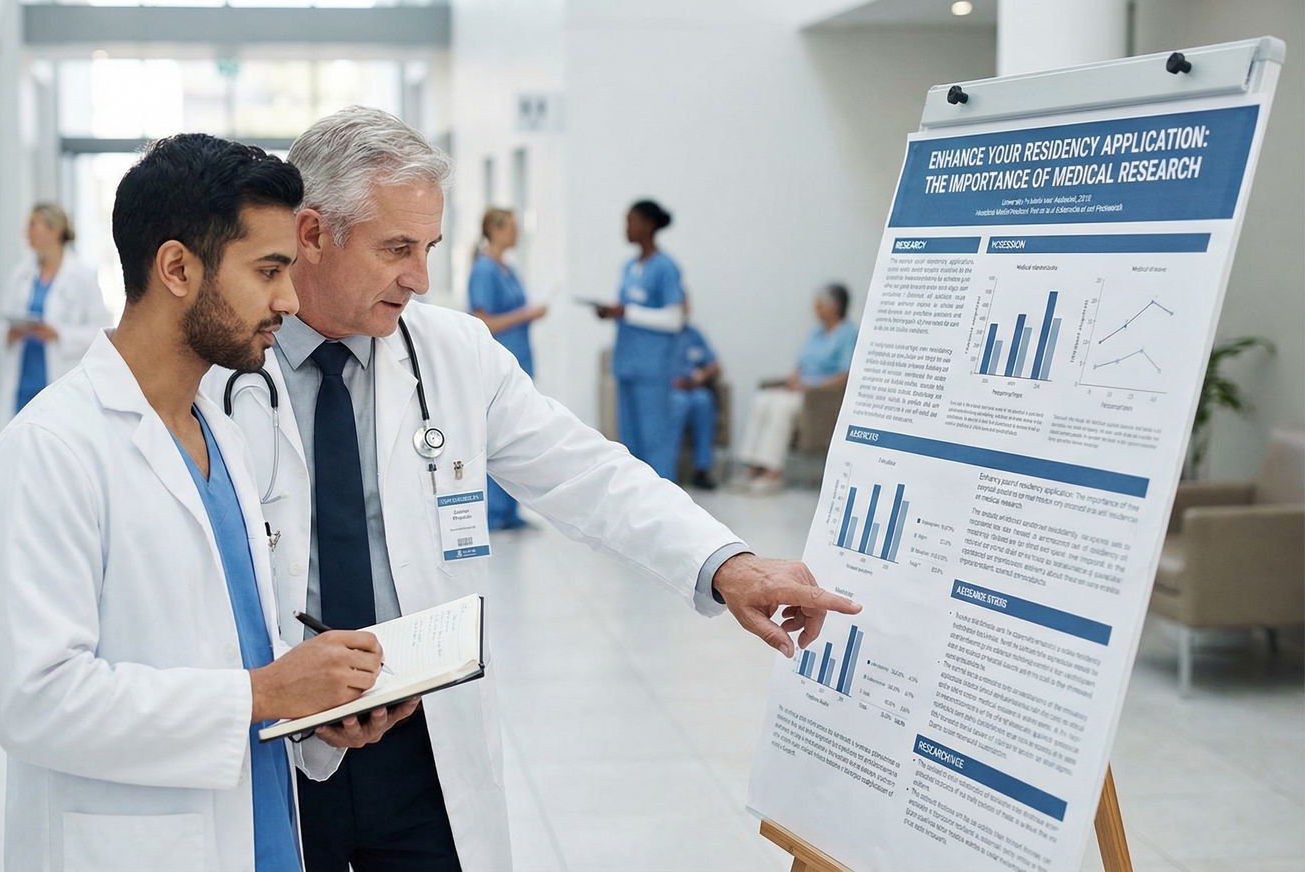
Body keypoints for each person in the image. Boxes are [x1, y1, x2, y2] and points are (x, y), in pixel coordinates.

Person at [207, 106, 859, 872]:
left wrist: (727, 563)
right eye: (397, 250)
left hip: (421, 739)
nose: (420, 278)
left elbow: (586, 471)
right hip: (277, 739)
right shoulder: (217, 367)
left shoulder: (453, 353)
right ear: (312, 234)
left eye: (428, 249)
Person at [0, 134, 413, 872]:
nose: (289, 301)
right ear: (177, 267)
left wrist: (311, 703)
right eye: (269, 271)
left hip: (258, 830)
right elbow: (35, 702)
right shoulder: (50, 452)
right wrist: (265, 693)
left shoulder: (220, 433)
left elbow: (237, 653)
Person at [595, 200, 687, 480]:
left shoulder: (665, 267)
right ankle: (636, 508)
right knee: (630, 442)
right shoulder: (629, 267)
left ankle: (663, 508)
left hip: (652, 370)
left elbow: (674, 319)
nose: (627, 228)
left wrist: (627, 312)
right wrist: (613, 313)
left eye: (631, 221)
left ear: (648, 225)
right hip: (628, 365)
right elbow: (631, 310)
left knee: (655, 439)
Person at [466, 207, 545, 530]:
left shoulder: (507, 268)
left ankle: (509, 512)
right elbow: (483, 320)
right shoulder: (485, 270)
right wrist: (527, 315)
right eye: (511, 227)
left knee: (515, 436)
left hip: (518, 360)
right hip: (496, 362)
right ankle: (495, 514)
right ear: (495, 230)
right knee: (496, 436)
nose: (517, 232)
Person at [738, 283, 859, 491]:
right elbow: (801, 364)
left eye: (820, 304)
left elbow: (845, 374)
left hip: (818, 395)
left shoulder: (848, 334)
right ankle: (752, 466)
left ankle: (772, 471)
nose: (815, 308)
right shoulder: (816, 332)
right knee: (763, 399)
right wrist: (792, 381)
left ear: (835, 306)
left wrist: (809, 387)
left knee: (781, 408)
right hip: (800, 389)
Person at [0, 202, 112, 414]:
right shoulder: (20, 274)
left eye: (33, 225)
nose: (26, 232)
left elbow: (101, 332)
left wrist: (59, 334)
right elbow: (4, 320)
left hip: (60, 374)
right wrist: (11, 332)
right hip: (23, 378)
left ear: (54, 230)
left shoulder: (82, 277)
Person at [667, 320, 722, 490]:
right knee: (679, 404)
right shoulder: (658, 335)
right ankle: (666, 470)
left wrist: (702, 375)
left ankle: (701, 470)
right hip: (669, 390)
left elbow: (714, 365)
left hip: (695, 388)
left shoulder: (693, 334)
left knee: (704, 401)